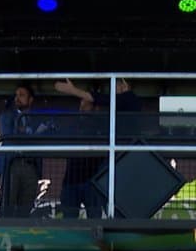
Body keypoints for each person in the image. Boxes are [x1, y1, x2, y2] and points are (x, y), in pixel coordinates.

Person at [52, 78, 141, 218]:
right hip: (71, 180)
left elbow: (100, 98)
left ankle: (112, 229)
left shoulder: (128, 99)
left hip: (95, 178)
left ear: (124, 85)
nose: (114, 90)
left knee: (98, 217)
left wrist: (72, 90)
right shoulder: (74, 124)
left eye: (116, 86)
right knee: (69, 221)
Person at [0, 83, 42, 217]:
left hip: (31, 166)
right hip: (13, 164)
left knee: (26, 207)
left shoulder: (36, 118)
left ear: (30, 100)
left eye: (22, 95)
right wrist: (30, 135)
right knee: (8, 206)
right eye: (16, 95)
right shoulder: (7, 116)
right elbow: (9, 136)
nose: (17, 98)